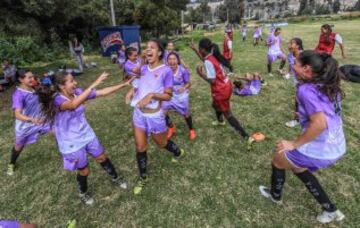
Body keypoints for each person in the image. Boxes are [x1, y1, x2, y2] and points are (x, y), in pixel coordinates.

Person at [259, 50, 346, 224]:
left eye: (296, 63)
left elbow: (320, 123)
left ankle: (275, 196)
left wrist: (294, 143)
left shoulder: (306, 90)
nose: (292, 65)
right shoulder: (327, 84)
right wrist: (304, 115)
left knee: (278, 158)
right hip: (337, 144)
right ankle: (330, 209)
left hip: (322, 147)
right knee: (298, 167)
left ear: (306, 69)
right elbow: (327, 113)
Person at [37, 71, 132, 205]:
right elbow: (72, 105)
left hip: (87, 134)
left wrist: (123, 85)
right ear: (62, 86)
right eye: (71, 81)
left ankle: (116, 178)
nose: (75, 83)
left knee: (102, 158)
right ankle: (83, 193)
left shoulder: (78, 92)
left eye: (74, 80)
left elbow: (102, 92)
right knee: (84, 170)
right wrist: (95, 82)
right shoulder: (58, 100)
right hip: (71, 143)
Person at [125, 39, 185, 195]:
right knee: (140, 147)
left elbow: (168, 96)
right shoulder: (144, 67)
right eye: (146, 48)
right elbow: (136, 75)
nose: (148, 49)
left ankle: (178, 152)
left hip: (154, 116)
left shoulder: (166, 71)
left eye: (152, 48)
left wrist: (151, 95)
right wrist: (132, 91)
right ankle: (143, 177)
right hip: (139, 114)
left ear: (159, 52)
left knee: (161, 143)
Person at [190, 38, 253, 146]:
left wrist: (201, 75)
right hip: (227, 85)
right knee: (215, 104)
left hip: (220, 90)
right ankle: (220, 121)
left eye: (199, 49)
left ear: (203, 49)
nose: (199, 51)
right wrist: (195, 49)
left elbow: (212, 81)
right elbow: (204, 59)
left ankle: (246, 137)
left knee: (228, 114)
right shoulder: (212, 56)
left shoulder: (208, 61)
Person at [7, 70, 51, 176]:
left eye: (33, 77)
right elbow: (17, 114)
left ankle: (70, 154)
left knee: (58, 131)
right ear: (21, 79)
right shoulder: (18, 95)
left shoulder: (35, 88)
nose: (32, 79)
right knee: (19, 146)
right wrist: (32, 120)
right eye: (29, 77)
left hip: (41, 120)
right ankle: (11, 164)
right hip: (25, 125)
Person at [163, 52, 196, 140]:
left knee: (186, 113)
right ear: (167, 61)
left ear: (177, 60)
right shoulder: (165, 70)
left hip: (181, 95)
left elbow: (188, 83)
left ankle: (191, 129)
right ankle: (171, 127)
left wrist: (184, 88)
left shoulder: (182, 70)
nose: (172, 61)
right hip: (169, 94)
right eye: (170, 59)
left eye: (174, 59)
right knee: (162, 112)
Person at [285, 38, 304, 128]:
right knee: (300, 99)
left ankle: (297, 120)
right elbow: (290, 65)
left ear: (298, 46)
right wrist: (288, 72)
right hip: (296, 80)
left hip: (305, 80)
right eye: (289, 43)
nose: (289, 45)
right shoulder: (290, 55)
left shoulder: (303, 56)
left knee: (298, 99)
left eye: (292, 43)